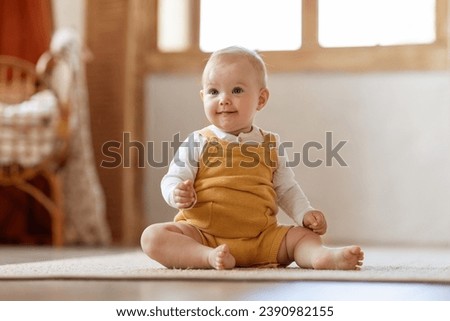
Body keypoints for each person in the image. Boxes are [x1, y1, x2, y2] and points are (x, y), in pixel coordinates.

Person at [141, 46, 364, 270]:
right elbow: (172, 178)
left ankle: (320, 257)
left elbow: (286, 189)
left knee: (301, 237)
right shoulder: (197, 141)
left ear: (261, 99)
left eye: (236, 90)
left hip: (262, 239)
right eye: (213, 92)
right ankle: (206, 257)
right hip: (204, 235)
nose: (224, 100)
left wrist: (304, 213)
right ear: (203, 97)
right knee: (152, 237)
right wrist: (176, 193)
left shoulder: (270, 144)